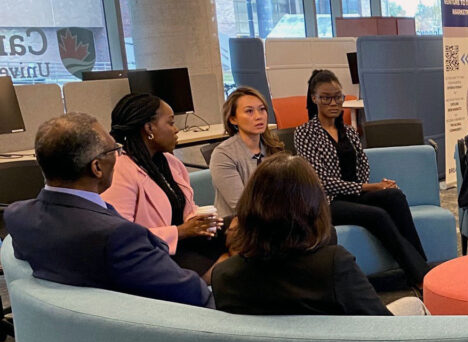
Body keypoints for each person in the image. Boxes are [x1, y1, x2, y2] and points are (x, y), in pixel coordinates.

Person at [4, 113, 212, 307]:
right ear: (96, 168)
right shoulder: (118, 236)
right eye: (115, 150)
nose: (119, 156)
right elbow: (193, 294)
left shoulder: (18, 215)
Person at [212, 154, 426, 316]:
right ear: (313, 206)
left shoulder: (223, 275)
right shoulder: (334, 265)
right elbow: (383, 328)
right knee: (415, 306)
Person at [294, 69, 428, 289]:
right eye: (326, 97)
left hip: (353, 194)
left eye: (338, 97)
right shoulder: (305, 133)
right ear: (314, 98)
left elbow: (363, 165)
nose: (334, 102)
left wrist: (371, 187)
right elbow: (320, 180)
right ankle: (421, 278)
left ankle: (421, 267)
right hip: (326, 202)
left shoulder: (349, 131)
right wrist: (367, 186)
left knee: (394, 196)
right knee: (377, 215)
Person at [103, 93, 226, 279]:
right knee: (235, 263)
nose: (176, 130)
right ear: (149, 128)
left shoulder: (170, 162)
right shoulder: (121, 171)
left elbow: (187, 208)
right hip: (156, 255)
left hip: (186, 243)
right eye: (170, 123)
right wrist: (180, 232)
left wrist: (201, 222)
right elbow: (121, 239)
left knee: (241, 229)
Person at [210, 86, 285, 217]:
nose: (258, 116)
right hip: (238, 224)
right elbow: (241, 206)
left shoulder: (273, 147)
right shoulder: (223, 154)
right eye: (249, 111)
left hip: (273, 218)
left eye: (262, 110)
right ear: (233, 119)